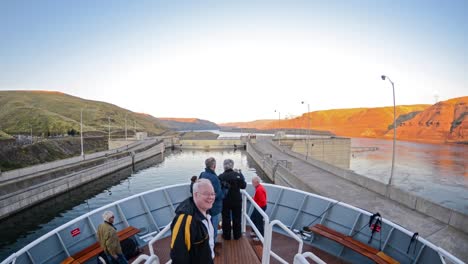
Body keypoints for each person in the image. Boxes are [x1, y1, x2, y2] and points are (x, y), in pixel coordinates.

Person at [170, 179, 215, 263]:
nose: (211, 197)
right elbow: (179, 256)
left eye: (213, 194)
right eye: (206, 194)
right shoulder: (185, 220)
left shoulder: (206, 210)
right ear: (195, 195)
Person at [218, 159, 246, 240]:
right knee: (237, 218)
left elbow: (218, 188)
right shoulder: (238, 175)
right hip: (236, 200)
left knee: (226, 218)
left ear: (224, 166)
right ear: (232, 166)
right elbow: (243, 186)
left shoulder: (220, 176)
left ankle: (226, 236)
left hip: (225, 201)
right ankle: (237, 235)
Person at [199, 157, 223, 242]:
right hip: (214, 208)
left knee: (206, 227)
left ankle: (206, 245)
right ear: (214, 166)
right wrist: (224, 191)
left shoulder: (202, 174)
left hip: (204, 207)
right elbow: (219, 195)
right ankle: (212, 247)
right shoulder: (214, 178)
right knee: (213, 228)